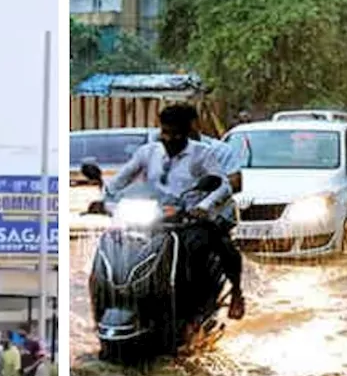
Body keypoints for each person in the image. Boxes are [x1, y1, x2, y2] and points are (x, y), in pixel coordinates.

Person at [101, 103, 243, 319]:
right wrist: (105, 198)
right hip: (154, 219)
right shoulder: (148, 152)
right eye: (165, 132)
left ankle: (233, 294)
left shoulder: (202, 154)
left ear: (187, 132)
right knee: (117, 242)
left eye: (175, 134)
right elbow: (119, 180)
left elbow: (223, 186)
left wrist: (203, 208)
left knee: (216, 245)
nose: (169, 139)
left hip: (189, 221)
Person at [188, 108, 246, 320]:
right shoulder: (161, 153)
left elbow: (235, 181)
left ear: (194, 124)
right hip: (176, 215)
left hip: (214, 214)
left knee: (221, 244)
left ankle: (237, 291)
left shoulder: (219, 150)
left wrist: (207, 204)